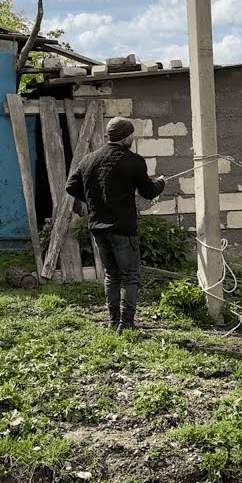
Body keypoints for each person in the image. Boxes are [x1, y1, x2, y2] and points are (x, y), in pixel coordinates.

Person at [65, 117, 166, 333]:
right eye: (131, 134)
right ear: (125, 137)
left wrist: (93, 200)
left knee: (111, 275)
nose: (133, 137)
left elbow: (71, 186)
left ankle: (114, 322)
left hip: (98, 227)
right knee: (130, 277)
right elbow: (149, 192)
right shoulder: (134, 161)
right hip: (123, 228)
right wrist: (161, 183)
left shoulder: (89, 160)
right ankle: (126, 325)